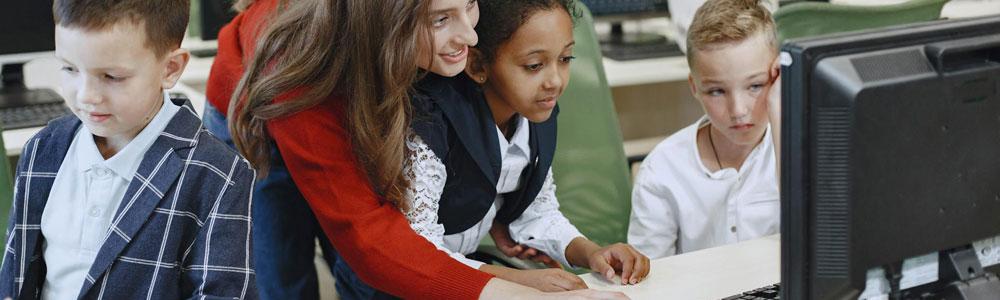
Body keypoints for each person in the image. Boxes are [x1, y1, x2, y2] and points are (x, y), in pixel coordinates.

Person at [212, 0, 628, 298]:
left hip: (369, 83)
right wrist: (516, 289)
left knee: (361, 272)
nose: (469, 35)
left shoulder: (425, 41)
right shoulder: (304, 78)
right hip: (263, 116)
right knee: (281, 273)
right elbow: (369, 238)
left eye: (470, 5)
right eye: (442, 18)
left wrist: (494, 204)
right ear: (388, 20)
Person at [0, 0, 256, 299]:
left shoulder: (220, 176)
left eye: (111, 77)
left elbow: (222, 293)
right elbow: (16, 274)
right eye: (69, 68)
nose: (86, 96)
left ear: (170, 68)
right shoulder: (43, 149)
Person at [628, 0, 782, 259]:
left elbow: (826, 250)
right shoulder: (663, 170)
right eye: (717, 91)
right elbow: (646, 279)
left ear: (778, 77)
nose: (738, 110)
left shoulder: (803, 151)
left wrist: (781, 114)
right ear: (694, 87)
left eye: (756, 86)